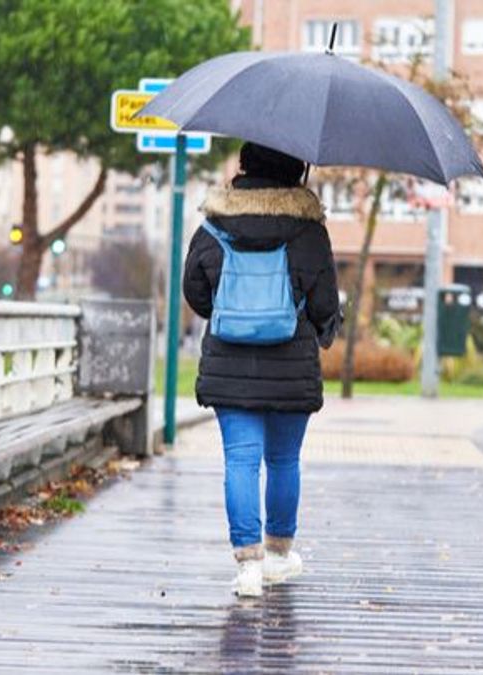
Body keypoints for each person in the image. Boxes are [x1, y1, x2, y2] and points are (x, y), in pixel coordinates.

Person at [183, 142, 341, 598]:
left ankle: (247, 565)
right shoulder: (309, 232)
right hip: (291, 363)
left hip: (229, 363)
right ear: (296, 171)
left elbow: (196, 293)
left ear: (244, 167)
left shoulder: (212, 227)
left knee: (240, 460)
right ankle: (277, 555)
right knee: (284, 460)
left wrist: (232, 310)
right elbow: (327, 303)